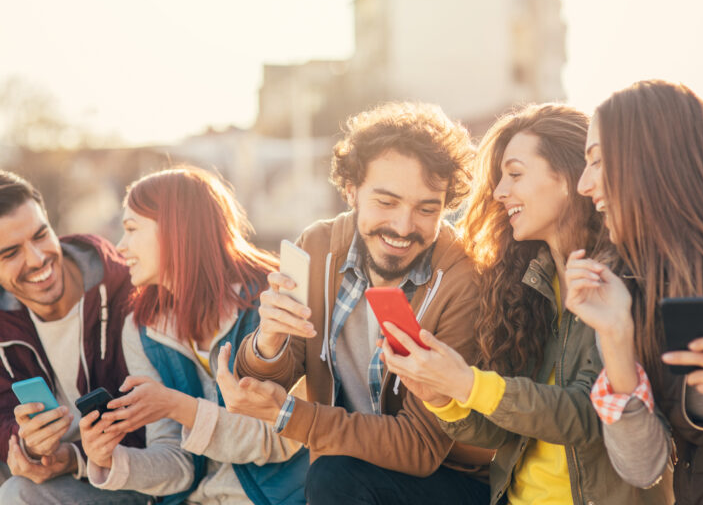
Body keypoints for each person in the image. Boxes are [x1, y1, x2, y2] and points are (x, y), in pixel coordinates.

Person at [381, 104, 672, 504]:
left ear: (572, 177)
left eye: (515, 174)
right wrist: (442, 396)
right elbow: (503, 431)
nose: (500, 192)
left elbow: (589, 415)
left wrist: (466, 382)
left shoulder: (623, 282)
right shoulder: (523, 286)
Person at [216, 101, 493, 504]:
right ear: (351, 191)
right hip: (347, 471)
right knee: (332, 473)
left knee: (332, 474)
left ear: (446, 206)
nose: (403, 226)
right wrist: (268, 342)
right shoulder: (317, 247)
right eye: (386, 202)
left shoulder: (463, 279)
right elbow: (266, 382)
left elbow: (420, 447)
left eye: (426, 209)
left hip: (453, 481)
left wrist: (291, 415)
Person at [566, 79, 703, 504]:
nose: (584, 184)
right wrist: (617, 337)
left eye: (598, 161)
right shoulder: (631, 282)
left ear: (651, 159)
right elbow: (644, 467)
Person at [80, 167, 308, 504]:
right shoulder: (142, 327)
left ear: (177, 231)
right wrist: (108, 459)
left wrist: (177, 406)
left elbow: (279, 437)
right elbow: (178, 465)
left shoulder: (271, 302)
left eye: (131, 229)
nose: (120, 246)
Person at [0, 171, 147, 504]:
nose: (37, 259)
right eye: (10, 254)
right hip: (55, 477)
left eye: (40, 235)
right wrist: (26, 443)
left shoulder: (126, 289)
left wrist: (74, 458)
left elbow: (158, 428)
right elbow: (3, 413)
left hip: (132, 479)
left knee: (16, 494)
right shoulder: (4, 322)